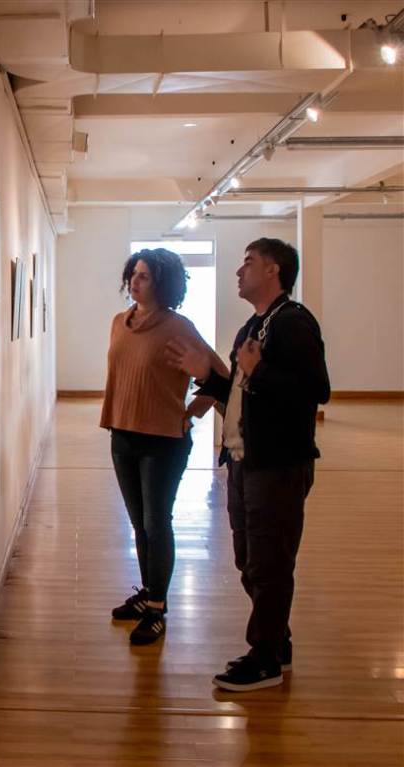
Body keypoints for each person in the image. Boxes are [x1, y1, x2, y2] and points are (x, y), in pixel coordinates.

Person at [166, 238, 330, 691]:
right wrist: (209, 378)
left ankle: (265, 658)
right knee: (248, 559)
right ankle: (278, 640)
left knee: (269, 562)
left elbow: (317, 389)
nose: (239, 272)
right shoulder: (253, 326)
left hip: (277, 464)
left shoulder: (293, 324)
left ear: (275, 271)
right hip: (245, 459)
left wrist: (259, 371)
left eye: (248, 263)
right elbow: (241, 394)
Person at [101, 249, 226, 645]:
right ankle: (148, 593)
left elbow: (220, 373)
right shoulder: (120, 323)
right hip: (122, 434)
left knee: (158, 523)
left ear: (163, 284)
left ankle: (157, 607)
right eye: (133, 274)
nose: (135, 282)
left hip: (164, 440)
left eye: (144, 277)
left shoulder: (178, 327)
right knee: (140, 524)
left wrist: (192, 411)